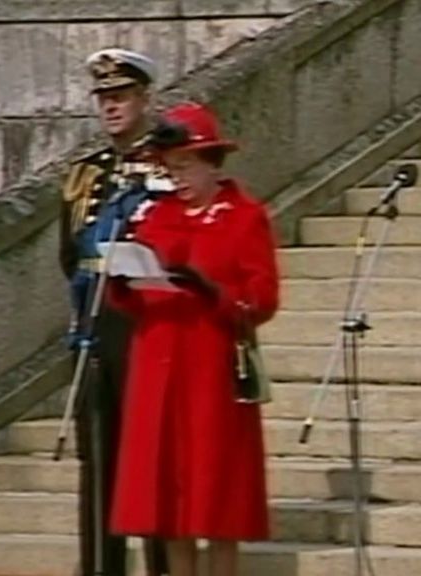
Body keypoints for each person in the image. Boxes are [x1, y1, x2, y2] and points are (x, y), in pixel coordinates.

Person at [108, 102, 278, 576]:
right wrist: (123, 281)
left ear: (210, 162)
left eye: (184, 166)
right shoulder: (157, 216)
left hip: (210, 368)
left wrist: (214, 291)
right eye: (170, 167)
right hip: (158, 364)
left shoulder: (244, 217)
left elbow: (261, 298)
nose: (176, 177)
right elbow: (136, 295)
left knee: (217, 500)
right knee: (169, 505)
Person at [58, 47, 171, 576]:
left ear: (144, 99)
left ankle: (163, 565)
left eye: (121, 96)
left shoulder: (170, 165)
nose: (111, 107)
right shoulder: (86, 172)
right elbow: (69, 251)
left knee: (151, 462)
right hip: (96, 325)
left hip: (148, 325)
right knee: (99, 461)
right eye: (103, 97)